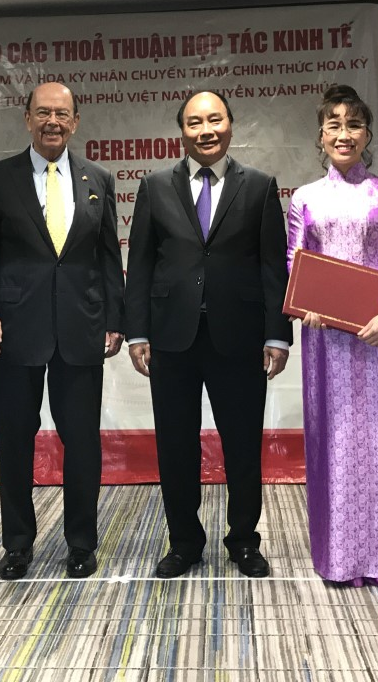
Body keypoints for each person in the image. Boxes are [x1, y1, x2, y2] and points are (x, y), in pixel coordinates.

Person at [125, 90, 291, 579]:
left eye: (214, 119)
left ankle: (243, 540)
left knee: (242, 444)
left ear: (231, 125)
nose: (206, 130)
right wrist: (137, 331)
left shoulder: (259, 187)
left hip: (238, 338)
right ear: (182, 131)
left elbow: (271, 265)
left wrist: (277, 335)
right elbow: (140, 262)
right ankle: (184, 543)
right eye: (195, 122)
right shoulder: (154, 187)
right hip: (171, 338)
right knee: (175, 446)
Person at [0, 82, 124, 580]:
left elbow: (106, 257)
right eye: (43, 113)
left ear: (76, 121)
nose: (52, 121)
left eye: (62, 113)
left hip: (82, 330)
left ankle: (81, 543)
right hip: (13, 333)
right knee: (15, 439)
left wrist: (116, 320)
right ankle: (16, 544)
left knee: (81, 442)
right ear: (27, 118)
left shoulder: (98, 178)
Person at [286, 83, 378, 586]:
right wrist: (304, 303)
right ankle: (343, 557)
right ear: (321, 134)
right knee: (338, 439)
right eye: (334, 124)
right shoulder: (304, 198)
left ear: (367, 134)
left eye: (353, 124)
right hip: (325, 338)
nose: (343, 134)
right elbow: (295, 260)